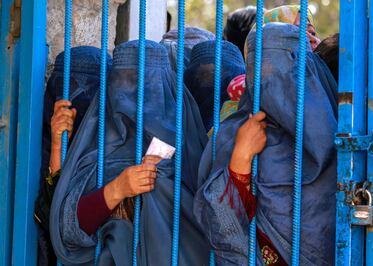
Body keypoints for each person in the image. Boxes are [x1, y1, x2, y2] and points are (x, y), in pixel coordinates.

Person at [50, 40, 210, 265]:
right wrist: (118, 188)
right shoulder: (94, 151)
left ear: (167, 84)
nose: (132, 96)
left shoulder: (191, 151)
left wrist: (163, 178)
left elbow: (212, 226)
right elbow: (66, 231)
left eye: (147, 84)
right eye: (123, 82)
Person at [194, 23, 337, 265]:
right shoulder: (232, 133)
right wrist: (240, 159)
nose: (271, 80)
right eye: (261, 71)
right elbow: (218, 222)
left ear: (306, 67)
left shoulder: (336, 130)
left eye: (284, 68)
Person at [34, 46, 111, 266]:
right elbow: (51, 218)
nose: (78, 101)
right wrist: (58, 147)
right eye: (71, 87)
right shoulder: (34, 145)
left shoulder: (117, 144)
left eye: (90, 91)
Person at [184, 40, 246, 132]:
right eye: (202, 74)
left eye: (214, 73)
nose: (207, 80)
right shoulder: (183, 108)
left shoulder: (244, 110)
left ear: (231, 73)